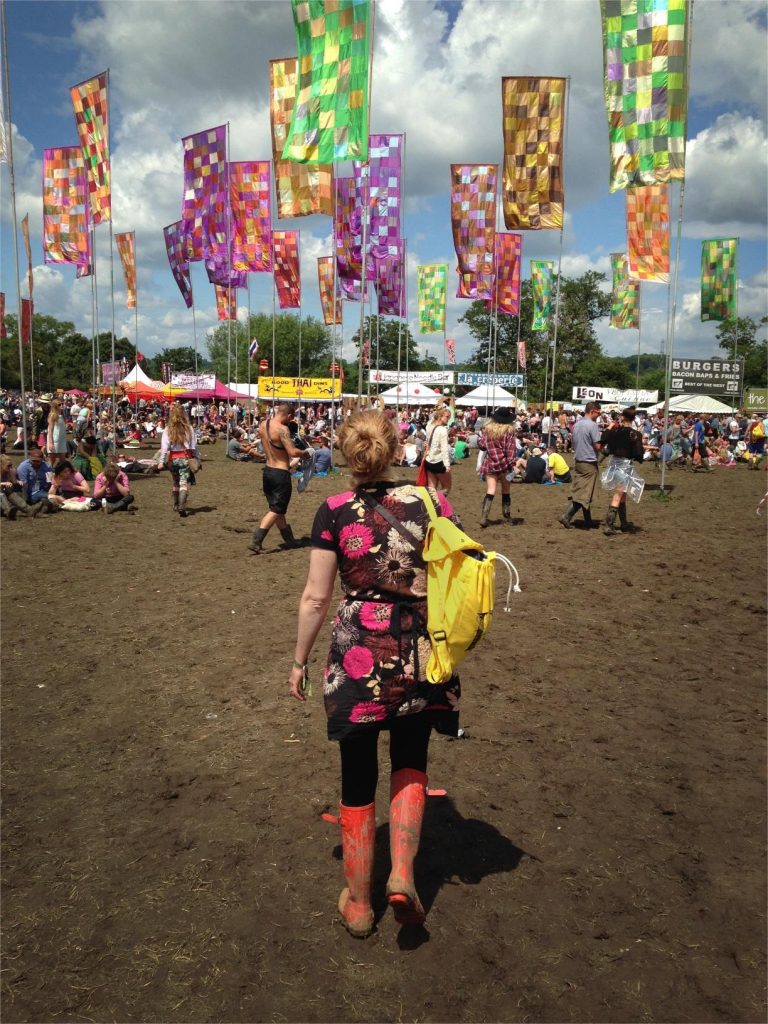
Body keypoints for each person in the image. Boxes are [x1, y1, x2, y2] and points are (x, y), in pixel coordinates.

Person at [288, 409, 461, 937]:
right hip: (418, 649)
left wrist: (298, 661)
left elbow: (318, 597)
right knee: (411, 756)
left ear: (346, 453)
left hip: (358, 650)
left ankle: (359, 904)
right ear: (395, 450)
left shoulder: (333, 511)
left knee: (357, 769)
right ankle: (403, 875)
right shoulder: (432, 503)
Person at [249, 403, 312, 553]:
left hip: (268, 471)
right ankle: (256, 540)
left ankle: (289, 540)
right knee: (276, 510)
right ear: (289, 416)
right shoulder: (283, 429)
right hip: (280, 473)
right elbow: (291, 451)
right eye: (291, 419)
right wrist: (305, 453)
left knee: (277, 508)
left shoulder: (264, 424)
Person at [601, 407, 645, 535]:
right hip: (625, 466)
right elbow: (638, 454)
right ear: (633, 418)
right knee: (618, 494)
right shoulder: (635, 434)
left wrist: (610, 427)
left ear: (623, 417)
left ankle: (624, 523)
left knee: (623, 494)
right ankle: (609, 526)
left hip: (614, 464)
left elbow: (606, 446)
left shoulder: (615, 432)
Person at [559, 402, 602, 529]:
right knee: (585, 494)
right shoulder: (592, 426)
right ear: (593, 411)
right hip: (589, 462)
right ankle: (566, 516)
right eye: (598, 412)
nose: (599, 415)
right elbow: (598, 446)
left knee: (583, 491)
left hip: (578, 461)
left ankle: (588, 520)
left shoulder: (577, 425)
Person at [159, 403, 201, 518]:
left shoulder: (168, 429)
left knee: (175, 481)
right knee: (183, 482)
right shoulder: (189, 428)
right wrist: (198, 458)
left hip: (173, 459)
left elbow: (164, 447)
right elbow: (194, 446)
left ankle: (176, 504)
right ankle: (182, 504)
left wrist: (161, 461)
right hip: (185, 458)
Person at [477, 408, 517, 526]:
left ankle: (484, 517)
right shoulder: (509, 432)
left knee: (490, 490)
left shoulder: (488, 431)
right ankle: (507, 516)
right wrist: (513, 466)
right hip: (504, 465)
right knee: (506, 490)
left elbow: (482, 446)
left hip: (490, 464)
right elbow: (510, 451)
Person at [423, 406, 452, 493]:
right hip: (439, 462)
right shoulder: (443, 430)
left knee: (431, 489)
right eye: (447, 417)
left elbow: (432, 419)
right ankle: (439, 504)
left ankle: (431, 505)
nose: (448, 419)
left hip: (428, 460)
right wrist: (447, 465)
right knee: (446, 488)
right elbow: (444, 448)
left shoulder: (429, 426)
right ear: (440, 417)